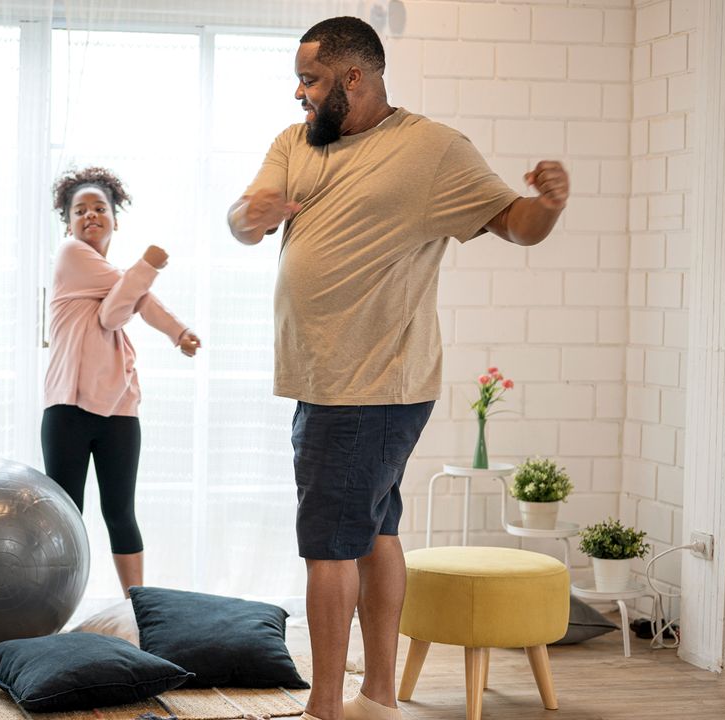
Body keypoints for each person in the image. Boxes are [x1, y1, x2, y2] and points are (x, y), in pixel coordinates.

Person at [226, 17, 569, 720]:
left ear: (354, 77)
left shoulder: (433, 152)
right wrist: (249, 215)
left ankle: (326, 708)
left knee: (327, 547)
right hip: (326, 379)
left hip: (371, 382)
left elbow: (515, 222)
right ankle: (377, 696)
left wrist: (548, 206)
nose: (298, 93)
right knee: (376, 532)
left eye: (310, 79)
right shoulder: (297, 142)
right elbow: (241, 218)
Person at [42, 167, 202, 597]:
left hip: (118, 407)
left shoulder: (113, 274)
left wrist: (179, 333)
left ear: (115, 217)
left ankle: (138, 607)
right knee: (65, 514)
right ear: (69, 223)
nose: (90, 215)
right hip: (68, 406)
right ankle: (52, 608)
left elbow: (117, 307)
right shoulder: (71, 255)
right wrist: (149, 267)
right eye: (80, 210)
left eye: (100, 208)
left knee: (120, 512)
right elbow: (126, 304)